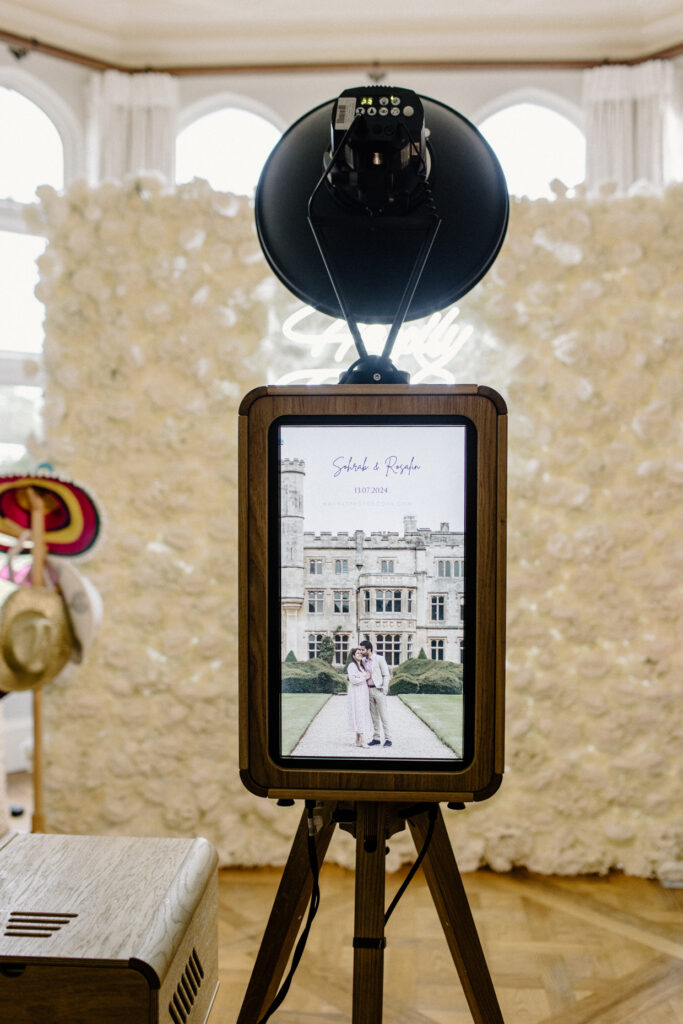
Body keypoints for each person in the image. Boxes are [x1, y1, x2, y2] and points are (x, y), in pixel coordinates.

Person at [360, 640, 392, 747]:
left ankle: (388, 739)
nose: (361, 651)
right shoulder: (363, 660)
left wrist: (385, 689)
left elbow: (386, 675)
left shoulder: (379, 658)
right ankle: (377, 738)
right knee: (374, 716)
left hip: (378, 690)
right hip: (368, 690)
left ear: (369, 649)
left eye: (363, 649)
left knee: (384, 715)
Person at [347, 647, 372, 747]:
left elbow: (365, 676)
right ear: (353, 656)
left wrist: (364, 677)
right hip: (356, 693)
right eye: (357, 653)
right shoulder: (352, 665)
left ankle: (357, 739)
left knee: (361, 713)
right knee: (359, 713)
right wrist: (364, 677)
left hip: (363, 693)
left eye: (361, 653)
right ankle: (363, 740)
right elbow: (353, 680)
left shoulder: (361, 666)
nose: (360, 655)